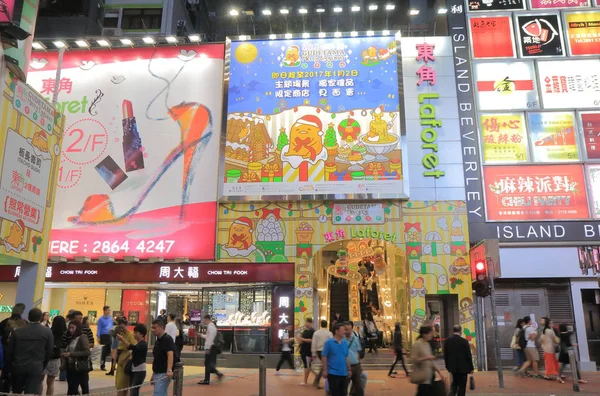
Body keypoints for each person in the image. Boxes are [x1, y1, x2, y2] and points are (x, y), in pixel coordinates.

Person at [7, 308, 53, 394]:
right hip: (36, 366)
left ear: (28, 317)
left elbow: (10, 351)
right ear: (40, 317)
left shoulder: (18, 331)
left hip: (18, 366)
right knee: (31, 392)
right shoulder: (47, 331)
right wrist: (43, 365)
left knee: (16, 392)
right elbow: (49, 351)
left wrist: (9, 367)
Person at [0, 302, 27, 392]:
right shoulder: (25, 324)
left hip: (6, 353)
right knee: (17, 379)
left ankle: (4, 390)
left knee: (5, 376)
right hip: (20, 354)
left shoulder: (5, 322)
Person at [118, 324, 148, 396]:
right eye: (134, 332)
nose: (134, 334)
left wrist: (122, 339)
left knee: (134, 391)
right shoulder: (138, 343)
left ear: (141, 334)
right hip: (134, 370)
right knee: (132, 390)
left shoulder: (143, 344)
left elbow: (132, 347)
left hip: (139, 371)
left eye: (136, 333)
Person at [411, 326, 442, 396]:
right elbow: (413, 359)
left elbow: (430, 361)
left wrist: (438, 371)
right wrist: (426, 357)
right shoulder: (417, 344)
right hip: (422, 377)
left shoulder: (427, 344)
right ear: (424, 334)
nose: (432, 335)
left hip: (429, 376)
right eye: (430, 333)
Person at [321, 323, 350, 396]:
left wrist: (349, 369)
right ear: (336, 331)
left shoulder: (344, 343)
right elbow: (324, 356)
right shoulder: (328, 343)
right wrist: (325, 370)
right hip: (333, 373)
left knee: (344, 393)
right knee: (335, 393)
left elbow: (346, 356)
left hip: (344, 373)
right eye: (342, 330)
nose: (344, 332)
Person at [62, 320, 90, 396]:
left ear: (77, 328)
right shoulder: (71, 338)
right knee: (71, 389)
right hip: (71, 367)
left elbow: (87, 352)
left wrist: (71, 354)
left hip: (80, 367)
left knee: (83, 388)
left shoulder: (82, 337)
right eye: (69, 328)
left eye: (73, 328)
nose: (71, 330)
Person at [444, 325, 474, 396]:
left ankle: (451, 394)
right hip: (464, 367)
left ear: (453, 331)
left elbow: (446, 355)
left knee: (455, 383)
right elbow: (468, 356)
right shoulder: (464, 341)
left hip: (453, 367)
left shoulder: (448, 341)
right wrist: (471, 368)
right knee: (462, 386)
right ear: (460, 331)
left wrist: (447, 366)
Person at [42, 315, 66, 396]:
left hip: (45, 358)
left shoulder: (48, 332)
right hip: (56, 359)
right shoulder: (65, 335)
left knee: (39, 381)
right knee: (51, 383)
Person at [151, 320, 176, 395]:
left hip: (163, 373)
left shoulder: (167, 339)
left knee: (158, 393)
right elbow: (157, 358)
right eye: (152, 328)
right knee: (161, 393)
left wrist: (169, 370)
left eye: (155, 328)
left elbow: (170, 354)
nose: (153, 330)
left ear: (161, 327)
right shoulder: (158, 341)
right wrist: (154, 373)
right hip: (158, 372)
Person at [198, 314, 223, 385]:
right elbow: (209, 337)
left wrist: (208, 348)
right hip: (212, 347)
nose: (204, 321)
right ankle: (209, 378)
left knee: (208, 364)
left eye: (204, 320)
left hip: (211, 347)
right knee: (208, 364)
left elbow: (210, 338)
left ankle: (209, 378)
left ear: (207, 319)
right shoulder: (212, 327)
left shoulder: (210, 327)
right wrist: (202, 335)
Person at [114, 318, 135, 395]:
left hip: (126, 361)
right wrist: (114, 363)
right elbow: (117, 349)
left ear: (127, 325)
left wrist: (126, 360)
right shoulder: (121, 334)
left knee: (123, 385)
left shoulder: (131, 334)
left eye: (123, 327)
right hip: (120, 360)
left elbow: (133, 348)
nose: (121, 329)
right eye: (120, 327)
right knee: (121, 385)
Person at [311, 319, 333, 389]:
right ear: (327, 325)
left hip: (319, 351)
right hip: (327, 351)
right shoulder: (329, 333)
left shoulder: (316, 333)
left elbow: (313, 343)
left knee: (324, 365)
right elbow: (332, 343)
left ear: (321, 325)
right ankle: (317, 381)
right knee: (325, 365)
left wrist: (313, 353)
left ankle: (317, 381)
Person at [345, 322, 364, 396]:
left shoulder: (355, 339)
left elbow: (358, 352)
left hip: (356, 365)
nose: (348, 331)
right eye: (346, 329)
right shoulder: (341, 340)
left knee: (359, 387)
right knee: (344, 387)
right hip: (345, 367)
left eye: (349, 329)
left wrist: (360, 365)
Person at [540, 318, 561, 383]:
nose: (552, 324)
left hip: (546, 348)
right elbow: (556, 339)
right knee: (551, 362)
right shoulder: (550, 331)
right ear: (548, 324)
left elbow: (541, 340)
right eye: (550, 323)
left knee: (550, 362)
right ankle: (548, 375)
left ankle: (554, 373)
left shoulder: (543, 331)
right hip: (550, 348)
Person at [297, 317, 315, 386]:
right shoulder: (305, 331)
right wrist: (300, 341)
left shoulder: (313, 331)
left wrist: (301, 338)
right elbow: (302, 340)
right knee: (307, 366)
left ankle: (305, 381)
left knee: (307, 366)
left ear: (310, 323)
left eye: (306, 322)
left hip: (308, 352)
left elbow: (311, 340)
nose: (305, 323)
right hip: (303, 351)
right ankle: (309, 380)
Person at [97, 306, 114, 372]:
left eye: (109, 310)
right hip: (103, 336)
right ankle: (102, 365)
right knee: (103, 352)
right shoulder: (100, 319)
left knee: (109, 350)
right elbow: (99, 329)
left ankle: (105, 362)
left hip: (109, 335)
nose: (108, 312)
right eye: (107, 310)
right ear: (104, 311)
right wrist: (98, 337)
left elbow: (112, 326)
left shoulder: (110, 318)